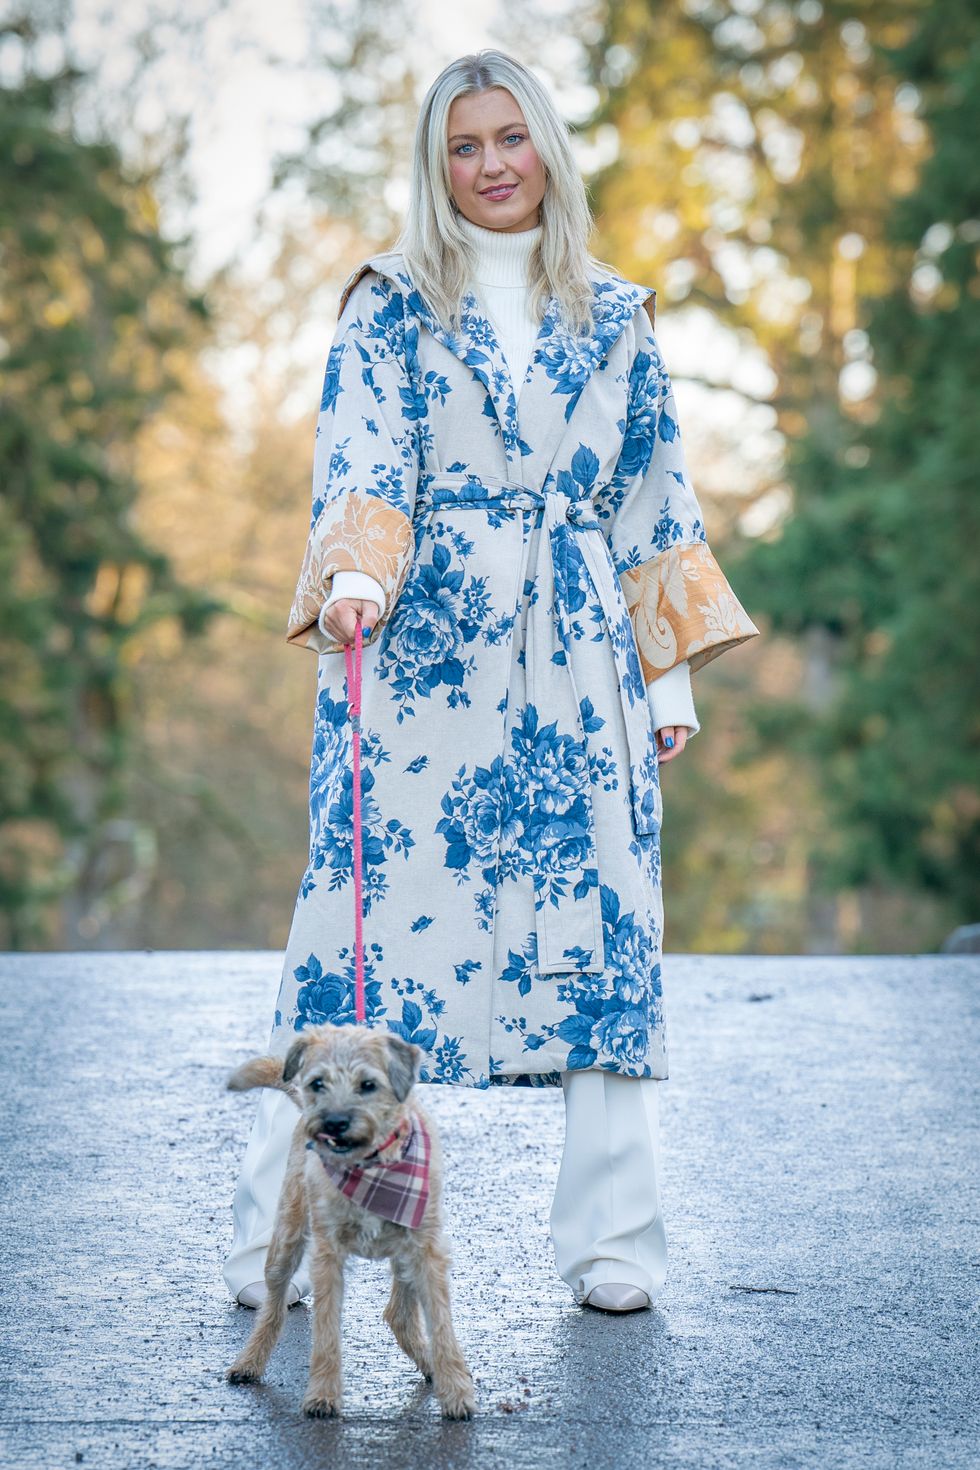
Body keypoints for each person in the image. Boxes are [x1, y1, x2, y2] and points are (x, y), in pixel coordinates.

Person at [223, 49, 760, 1315]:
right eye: (463, 146)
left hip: (580, 663)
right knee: (348, 959)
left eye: (509, 138)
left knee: (603, 939)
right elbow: (359, 468)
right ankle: (270, 1244)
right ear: (436, 165)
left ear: (546, 149)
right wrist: (354, 580)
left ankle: (615, 1248)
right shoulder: (390, 305)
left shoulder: (616, 317)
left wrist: (667, 681)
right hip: (415, 660)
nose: (491, 165)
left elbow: (652, 496)